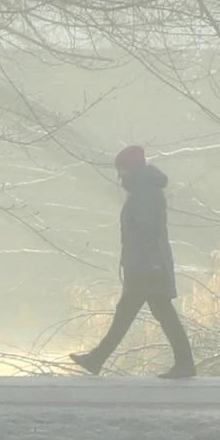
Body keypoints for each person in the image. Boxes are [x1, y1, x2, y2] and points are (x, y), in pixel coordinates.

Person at [71, 144, 196, 377]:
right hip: (148, 264)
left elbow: (145, 232)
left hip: (147, 266)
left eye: (122, 171)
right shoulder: (145, 190)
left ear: (132, 170)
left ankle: (184, 364)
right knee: (143, 314)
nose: (119, 176)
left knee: (139, 314)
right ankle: (97, 359)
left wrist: (138, 261)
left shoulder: (144, 193)